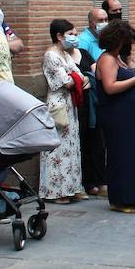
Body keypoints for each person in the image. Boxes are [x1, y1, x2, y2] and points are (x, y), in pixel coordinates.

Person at [96, 20, 135, 213]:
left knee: (134, 155)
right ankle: (122, 199)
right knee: (122, 156)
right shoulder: (106, 59)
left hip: (131, 117)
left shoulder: (118, 58)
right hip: (117, 117)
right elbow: (110, 87)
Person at [40, 19, 87, 204]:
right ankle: (56, 191)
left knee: (72, 146)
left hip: (70, 103)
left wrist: (75, 77)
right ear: (59, 36)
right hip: (58, 104)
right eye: (72, 34)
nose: (75, 38)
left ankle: (72, 187)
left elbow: (80, 76)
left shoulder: (65, 55)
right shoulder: (51, 56)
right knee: (58, 148)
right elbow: (67, 82)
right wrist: (75, 78)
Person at [70, 20, 108, 198]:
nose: (75, 37)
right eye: (71, 34)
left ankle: (101, 182)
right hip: (77, 104)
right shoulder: (62, 56)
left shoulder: (84, 53)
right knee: (82, 143)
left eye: (76, 34)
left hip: (93, 102)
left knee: (97, 143)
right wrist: (82, 80)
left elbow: (95, 73)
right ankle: (87, 183)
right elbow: (70, 80)